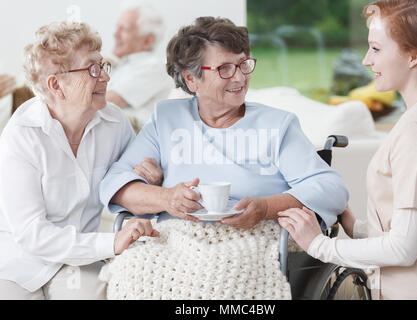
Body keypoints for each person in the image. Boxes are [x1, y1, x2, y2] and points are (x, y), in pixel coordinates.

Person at [98, 17, 349, 299]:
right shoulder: (167, 118)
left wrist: (265, 208)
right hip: (176, 239)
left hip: (255, 240)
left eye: (244, 64)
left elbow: (331, 189)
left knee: (219, 279)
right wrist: (165, 198)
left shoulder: (277, 125)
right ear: (192, 79)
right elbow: (115, 184)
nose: (240, 77)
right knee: (132, 269)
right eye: (225, 69)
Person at [278, 0, 417, 300]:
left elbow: (405, 247)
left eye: (376, 48)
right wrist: (355, 226)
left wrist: (319, 245)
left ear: (413, 56)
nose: (365, 61)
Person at [0, 21, 159, 300]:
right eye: (92, 69)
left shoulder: (115, 123)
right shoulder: (22, 134)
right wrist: (110, 242)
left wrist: (149, 178)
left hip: (79, 259)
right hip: (18, 260)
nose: (106, 77)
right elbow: (31, 234)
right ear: (56, 84)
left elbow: (132, 179)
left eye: (103, 65)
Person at [106, 2, 173, 131]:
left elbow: (105, 102)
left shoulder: (153, 67)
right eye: (117, 28)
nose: (115, 34)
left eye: (124, 29)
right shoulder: (118, 65)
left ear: (148, 41)